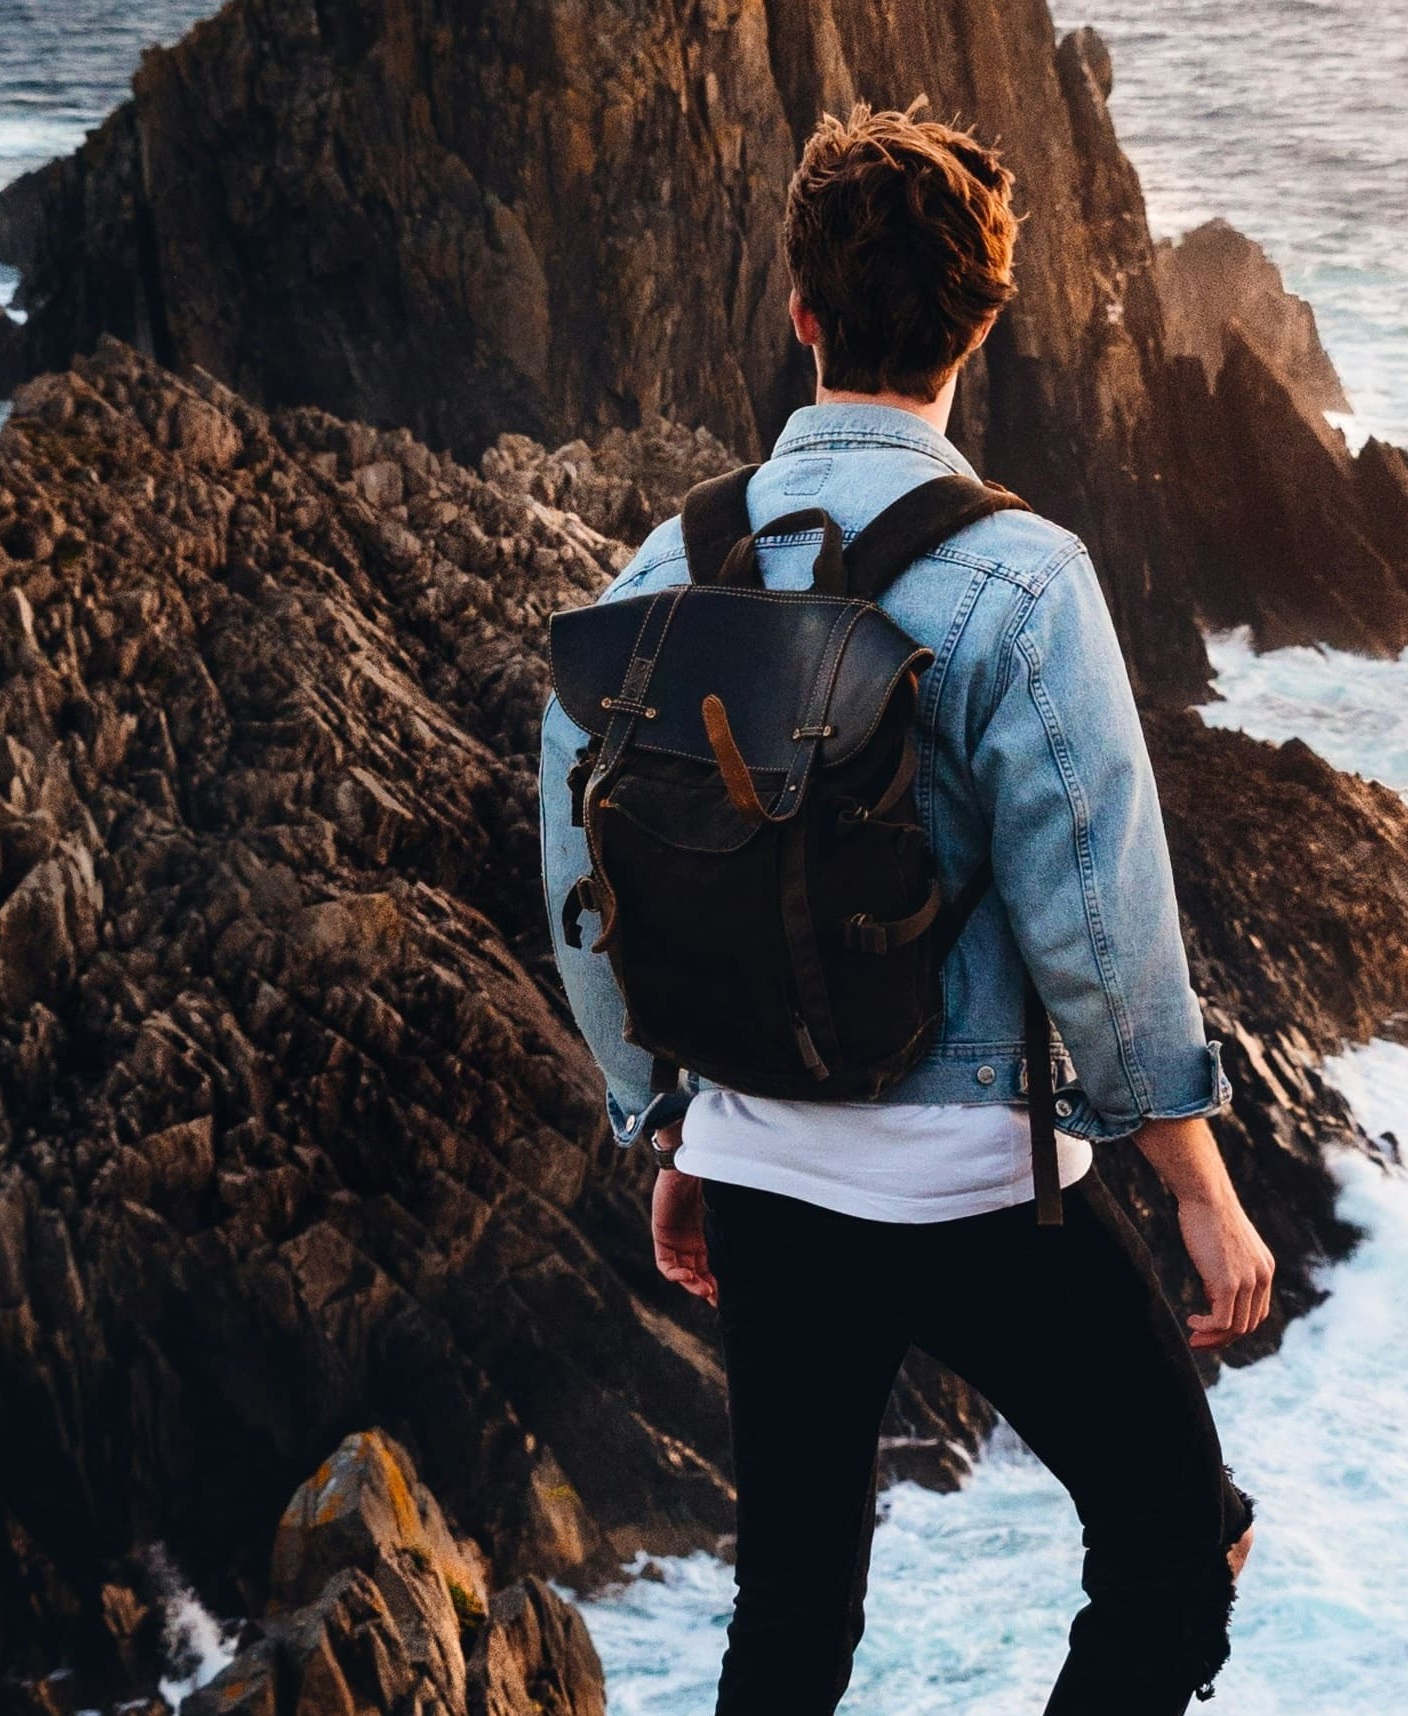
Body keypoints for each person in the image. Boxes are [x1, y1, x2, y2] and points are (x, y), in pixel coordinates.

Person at [539, 99, 1275, 1716]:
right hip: (977, 1189)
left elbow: (586, 881)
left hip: (762, 1175)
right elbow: (1097, 921)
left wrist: (669, 1124)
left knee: (793, 1615)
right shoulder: (1022, 579)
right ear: (980, 326)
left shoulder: (664, 568)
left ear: (799, 309)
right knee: (1175, 1544)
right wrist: (1202, 1189)